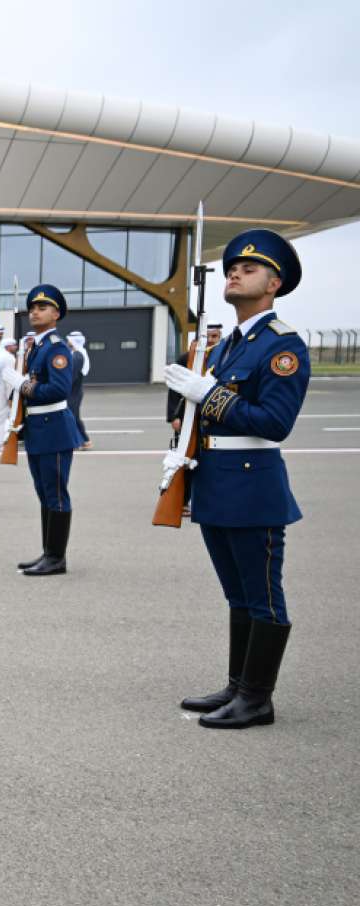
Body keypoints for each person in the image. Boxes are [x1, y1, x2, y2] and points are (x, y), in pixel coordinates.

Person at [163, 229, 308, 730]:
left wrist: (209, 394)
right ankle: (238, 685)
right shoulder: (226, 346)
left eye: (248, 269)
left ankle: (258, 699)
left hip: (253, 487)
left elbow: (275, 423)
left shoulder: (282, 346)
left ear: (274, 283)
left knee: (262, 595)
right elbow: (204, 419)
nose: (235, 274)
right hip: (217, 483)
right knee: (237, 594)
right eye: (231, 269)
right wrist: (181, 455)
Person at [0, 285, 82, 576]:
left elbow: (59, 389)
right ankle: (49, 552)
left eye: (42, 308)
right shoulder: (37, 346)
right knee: (45, 492)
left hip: (54, 429)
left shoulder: (56, 348)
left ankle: (57, 558)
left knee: (56, 493)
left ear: (56, 314)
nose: (35, 312)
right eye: (32, 308)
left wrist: (22, 384)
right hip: (38, 429)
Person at [66, 331, 92, 449]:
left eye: (69, 340)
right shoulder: (78, 353)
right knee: (73, 417)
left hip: (73, 392)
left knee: (72, 417)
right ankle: (83, 441)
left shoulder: (77, 355)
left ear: (73, 342)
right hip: (75, 391)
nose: (67, 342)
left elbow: (72, 376)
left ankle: (82, 441)